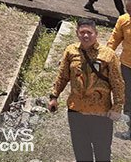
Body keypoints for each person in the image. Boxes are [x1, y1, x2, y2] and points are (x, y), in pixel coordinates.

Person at [49, 18, 124, 162]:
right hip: (76, 111)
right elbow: (62, 76)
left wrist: (117, 107)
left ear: (96, 33)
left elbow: (118, 84)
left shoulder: (108, 55)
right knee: (81, 151)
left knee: (102, 152)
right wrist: (54, 96)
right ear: (77, 33)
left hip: (101, 113)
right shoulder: (71, 51)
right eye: (82, 32)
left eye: (89, 32)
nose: (85, 36)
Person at [107, 0, 131, 139]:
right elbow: (113, 41)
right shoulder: (124, 20)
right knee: (129, 98)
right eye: (128, 10)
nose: (130, 13)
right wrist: (104, 57)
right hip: (127, 66)